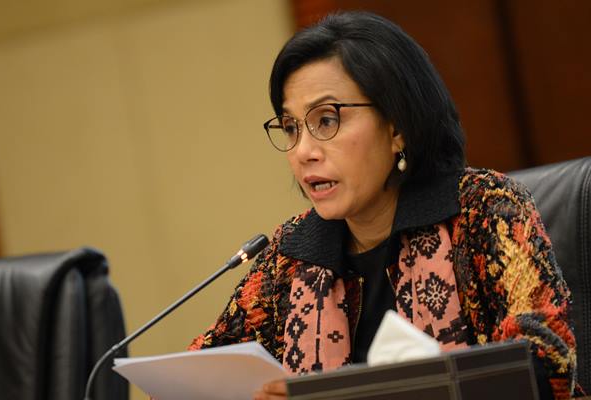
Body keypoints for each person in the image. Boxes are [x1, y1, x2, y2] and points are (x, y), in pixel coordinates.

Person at [188, 11, 580, 400]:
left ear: (397, 127)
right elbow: (199, 376)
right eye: (291, 127)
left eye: (326, 121)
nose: (303, 151)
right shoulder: (290, 257)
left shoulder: (485, 209)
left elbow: (545, 364)